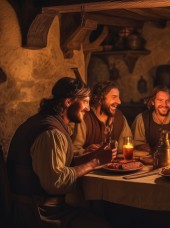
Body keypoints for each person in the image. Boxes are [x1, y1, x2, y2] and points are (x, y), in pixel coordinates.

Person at [7, 77, 112, 227]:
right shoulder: (51, 133)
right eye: (85, 102)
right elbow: (56, 182)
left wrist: (91, 155)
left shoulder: (47, 122)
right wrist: (96, 162)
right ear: (68, 102)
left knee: (99, 214)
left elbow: (58, 164)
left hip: (43, 207)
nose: (88, 109)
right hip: (37, 213)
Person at [72, 81, 132, 157]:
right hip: (89, 168)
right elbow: (73, 151)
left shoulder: (120, 118)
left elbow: (125, 148)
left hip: (114, 167)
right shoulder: (84, 118)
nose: (119, 102)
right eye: (114, 97)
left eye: (118, 97)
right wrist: (86, 151)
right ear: (100, 99)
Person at [131, 85, 170, 152]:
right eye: (160, 100)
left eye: (167, 101)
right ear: (153, 102)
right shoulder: (142, 119)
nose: (164, 104)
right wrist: (144, 147)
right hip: (147, 160)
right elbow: (135, 143)